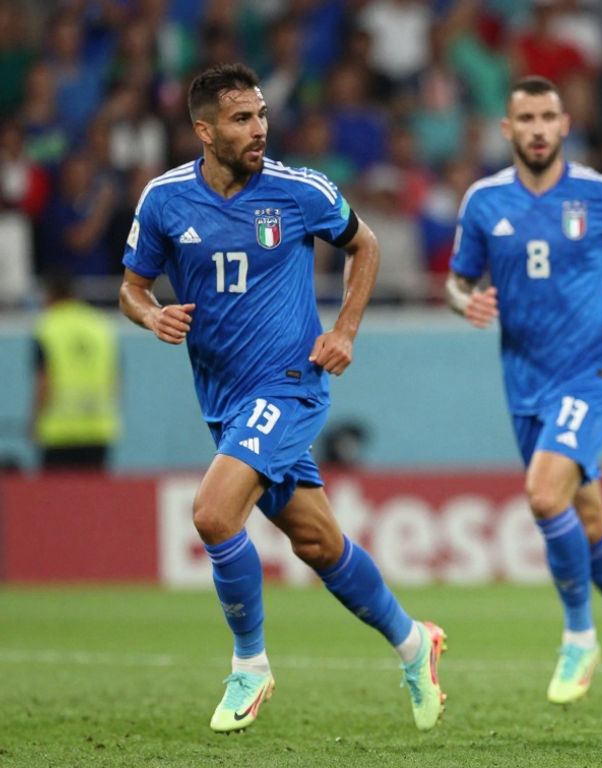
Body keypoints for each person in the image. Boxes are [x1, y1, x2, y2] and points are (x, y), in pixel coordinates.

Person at [119, 63, 445, 734]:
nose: (259, 128)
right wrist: (149, 315)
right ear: (205, 130)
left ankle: (250, 664)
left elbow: (367, 243)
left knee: (213, 515)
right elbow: (131, 286)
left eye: (262, 113)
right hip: (225, 400)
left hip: (289, 386)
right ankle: (416, 644)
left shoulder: (299, 191)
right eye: (242, 119)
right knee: (319, 542)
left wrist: (346, 330)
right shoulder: (164, 200)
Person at [445, 76, 602, 709]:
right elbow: (455, 282)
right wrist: (467, 301)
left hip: (592, 371)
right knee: (588, 518)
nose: (536, 128)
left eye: (547, 116)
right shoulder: (483, 202)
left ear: (565, 123)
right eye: (524, 117)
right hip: (524, 382)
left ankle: (579, 636)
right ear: (508, 129)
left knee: (543, 493)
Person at [31, 272, 120, 470]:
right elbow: (115, 378)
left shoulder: (47, 327)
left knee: (56, 497)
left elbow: (44, 380)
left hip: (59, 431)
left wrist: (34, 421)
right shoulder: (100, 325)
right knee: (91, 497)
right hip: (98, 428)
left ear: (50, 295)